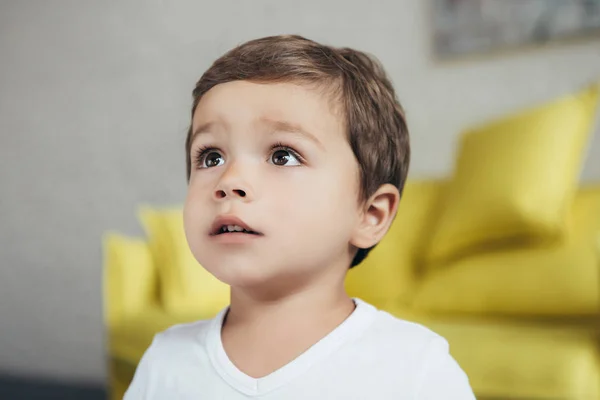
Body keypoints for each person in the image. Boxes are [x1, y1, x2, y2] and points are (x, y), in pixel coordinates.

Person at [124, 34, 476, 399]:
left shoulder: (415, 369)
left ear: (370, 214)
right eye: (211, 157)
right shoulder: (165, 362)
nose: (230, 181)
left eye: (283, 156)